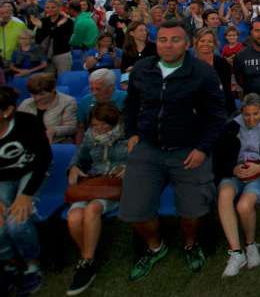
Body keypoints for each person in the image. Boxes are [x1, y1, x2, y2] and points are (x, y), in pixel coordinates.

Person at [119, 19, 227, 280]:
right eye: (163, 40)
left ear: (187, 44)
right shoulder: (142, 69)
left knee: (193, 210)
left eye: (175, 40)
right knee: (135, 210)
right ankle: (155, 246)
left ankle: (190, 243)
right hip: (148, 149)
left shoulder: (202, 73)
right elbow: (131, 105)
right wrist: (131, 133)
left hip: (188, 150)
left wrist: (202, 148)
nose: (168, 45)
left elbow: (217, 116)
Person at [214, 93, 260, 278]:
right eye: (247, 114)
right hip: (236, 172)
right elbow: (219, 158)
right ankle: (236, 253)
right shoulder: (231, 126)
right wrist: (233, 169)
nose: (251, 118)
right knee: (224, 196)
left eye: (255, 114)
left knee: (244, 206)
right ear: (242, 112)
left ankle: (250, 244)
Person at [65, 102, 128, 295]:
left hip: (113, 184)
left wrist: (129, 168)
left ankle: (86, 263)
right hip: (93, 181)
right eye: (95, 125)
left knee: (92, 209)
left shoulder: (127, 136)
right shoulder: (89, 136)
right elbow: (79, 158)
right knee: (74, 217)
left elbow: (140, 159)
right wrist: (73, 167)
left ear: (114, 122)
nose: (99, 129)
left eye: (104, 124)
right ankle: (90, 256)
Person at [0, 86, 51, 296]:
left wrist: (26, 195)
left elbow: (44, 159)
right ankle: (9, 263)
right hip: (2, 179)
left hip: (30, 172)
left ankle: (32, 264)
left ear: (7, 111)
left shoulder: (27, 123)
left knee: (17, 221)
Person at [18, 72, 77, 144]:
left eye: (41, 94)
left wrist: (54, 130)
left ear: (53, 89)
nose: (37, 98)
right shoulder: (26, 103)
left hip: (57, 144)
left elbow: (72, 127)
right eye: (33, 94)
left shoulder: (68, 101)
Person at [32, 0, 74, 74]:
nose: (50, 9)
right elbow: (39, 39)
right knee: (47, 78)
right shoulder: (43, 21)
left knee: (63, 77)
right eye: (47, 7)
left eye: (53, 7)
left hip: (62, 54)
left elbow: (63, 39)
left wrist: (46, 28)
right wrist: (56, 26)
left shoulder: (67, 21)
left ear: (59, 8)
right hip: (46, 55)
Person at [0, 2, 26, 68]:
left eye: (7, 13)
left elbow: (26, 40)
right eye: (2, 13)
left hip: (14, 59)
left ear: (11, 14)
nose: (5, 15)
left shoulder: (20, 24)